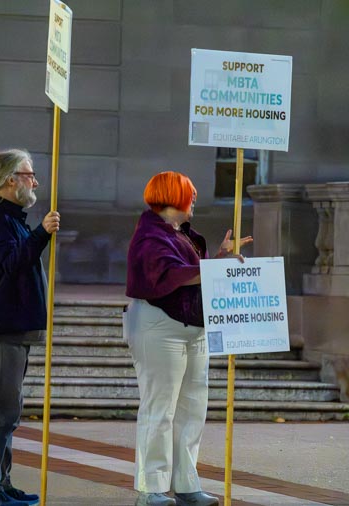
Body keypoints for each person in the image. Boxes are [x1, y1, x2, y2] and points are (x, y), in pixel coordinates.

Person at [125, 171, 252, 506]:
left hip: (192, 327)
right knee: (160, 407)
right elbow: (167, 275)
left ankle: (185, 483)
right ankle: (151, 487)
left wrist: (218, 260)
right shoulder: (150, 235)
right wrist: (213, 268)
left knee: (192, 406)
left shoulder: (182, 234)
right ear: (173, 196)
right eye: (189, 193)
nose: (194, 198)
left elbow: (191, 274)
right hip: (159, 325)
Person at [0, 149, 60, 506]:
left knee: (8, 413)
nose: (34, 181)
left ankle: (0, 483)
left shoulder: (9, 218)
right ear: (9, 180)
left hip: (14, 327)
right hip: (1, 327)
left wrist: (35, 235)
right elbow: (10, 261)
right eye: (28, 174)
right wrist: (41, 234)